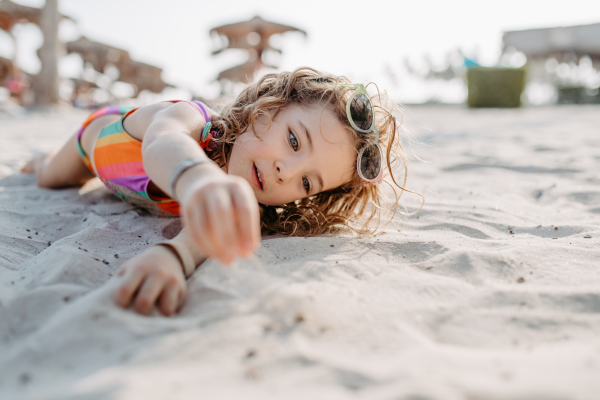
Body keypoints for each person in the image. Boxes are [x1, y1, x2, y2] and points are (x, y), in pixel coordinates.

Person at [22, 67, 416, 316]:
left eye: (307, 182)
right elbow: (162, 144)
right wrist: (199, 179)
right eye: (294, 141)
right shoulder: (194, 120)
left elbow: (202, 237)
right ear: (267, 108)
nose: (286, 171)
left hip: (126, 184)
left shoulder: (243, 200)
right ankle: (41, 157)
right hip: (94, 144)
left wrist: (171, 257)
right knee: (49, 178)